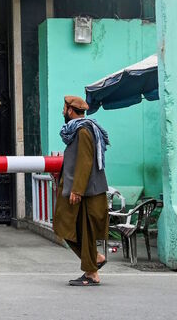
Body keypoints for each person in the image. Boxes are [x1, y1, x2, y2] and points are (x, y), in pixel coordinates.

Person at [54, 95, 110, 286]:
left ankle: (92, 272)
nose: (62, 112)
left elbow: (85, 161)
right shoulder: (77, 130)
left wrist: (77, 189)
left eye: (64, 108)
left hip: (86, 192)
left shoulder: (83, 131)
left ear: (70, 110)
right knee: (67, 226)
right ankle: (95, 259)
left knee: (80, 230)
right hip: (81, 190)